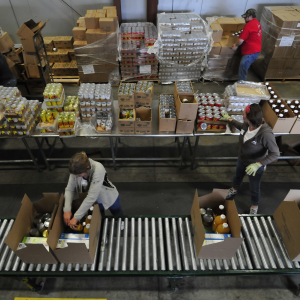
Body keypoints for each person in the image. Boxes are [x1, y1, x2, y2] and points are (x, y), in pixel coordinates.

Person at [220, 104, 279, 214]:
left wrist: (259, 164)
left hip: (256, 165)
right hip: (242, 159)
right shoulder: (248, 125)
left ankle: (254, 206)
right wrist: (230, 119)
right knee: (237, 176)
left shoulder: (265, 133)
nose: (242, 115)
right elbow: (240, 126)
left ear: (250, 117)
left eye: (244, 114)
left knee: (254, 187)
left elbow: (275, 153)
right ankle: (234, 189)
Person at [64, 152, 124, 229]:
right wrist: (67, 210)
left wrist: (76, 217)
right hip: (94, 202)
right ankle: (103, 229)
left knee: (116, 210)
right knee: (99, 214)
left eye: (79, 175)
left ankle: (120, 221)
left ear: (87, 167)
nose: (76, 177)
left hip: (108, 196)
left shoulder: (98, 168)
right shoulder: (76, 169)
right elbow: (69, 189)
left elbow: (91, 197)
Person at [232, 9, 262, 81]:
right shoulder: (257, 22)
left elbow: (240, 41)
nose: (244, 19)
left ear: (251, 16)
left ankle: (241, 85)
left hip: (251, 52)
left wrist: (235, 45)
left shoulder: (248, 25)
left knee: (243, 67)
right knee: (243, 67)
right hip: (256, 49)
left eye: (246, 17)